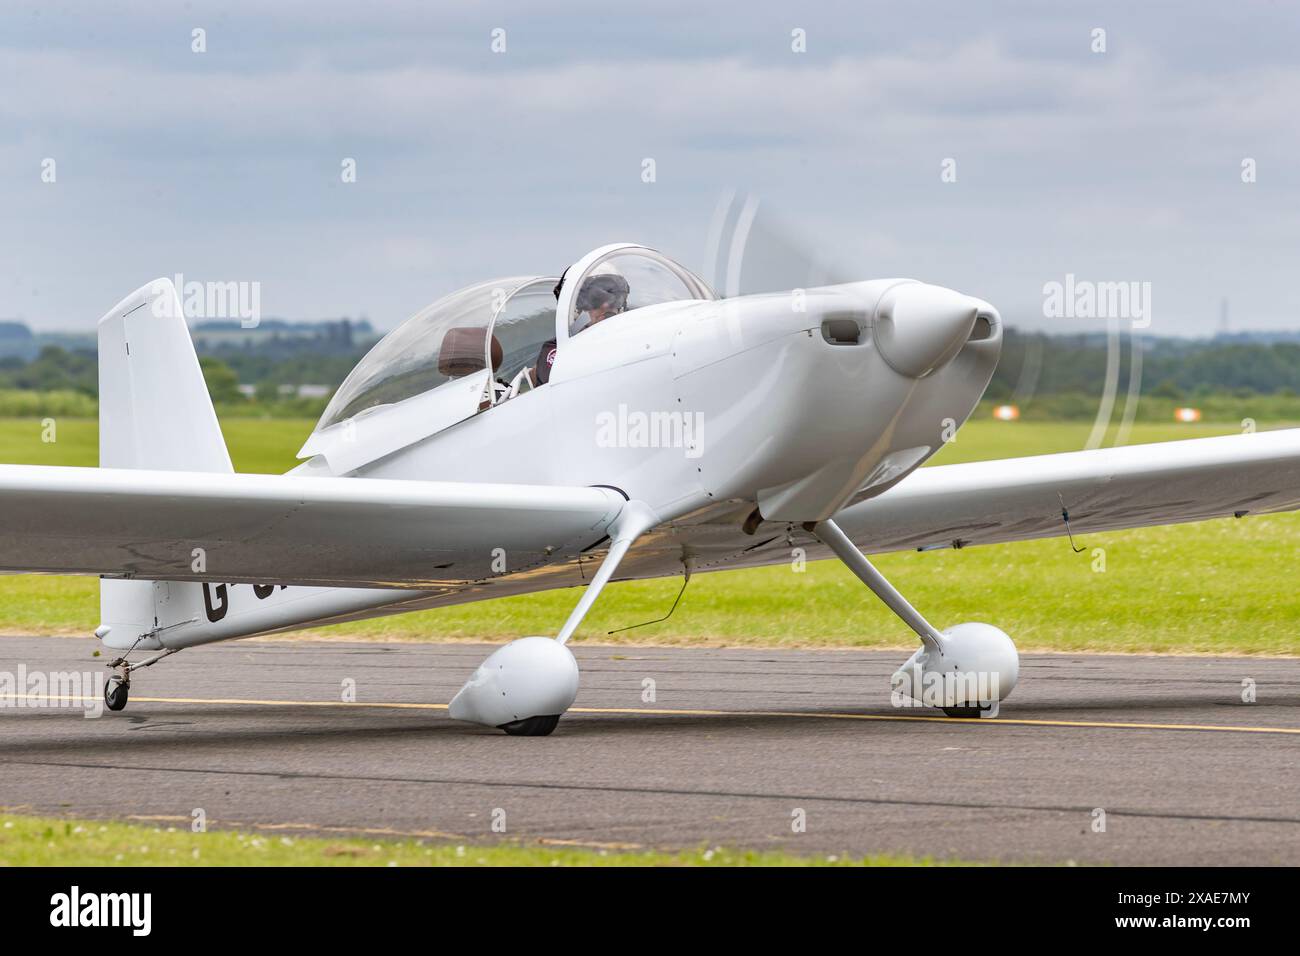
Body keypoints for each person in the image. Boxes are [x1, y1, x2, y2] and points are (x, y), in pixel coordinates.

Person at [534, 269, 632, 384]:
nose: (606, 305)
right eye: (596, 298)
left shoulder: (632, 338)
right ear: (577, 307)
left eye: (614, 297)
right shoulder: (557, 350)